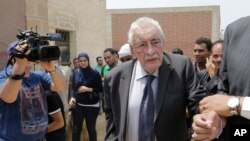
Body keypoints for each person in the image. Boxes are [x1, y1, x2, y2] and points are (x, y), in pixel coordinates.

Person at [103, 17, 205, 141]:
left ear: (163, 43)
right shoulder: (114, 78)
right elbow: (112, 127)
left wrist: (205, 117)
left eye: (155, 42)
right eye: (142, 45)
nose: (150, 51)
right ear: (132, 50)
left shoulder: (181, 67)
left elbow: (198, 103)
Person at [192, 16, 250, 141]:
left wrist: (238, 105)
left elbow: (228, 103)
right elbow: (223, 96)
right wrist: (215, 121)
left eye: (221, 56)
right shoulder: (234, 30)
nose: (219, 59)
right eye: (215, 56)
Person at [0, 41, 65, 141]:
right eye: (26, 53)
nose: (30, 56)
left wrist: (51, 68)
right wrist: (20, 66)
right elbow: (8, 98)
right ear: (13, 57)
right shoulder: (3, 76)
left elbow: (59, 87)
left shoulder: (38, 76)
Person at [69, 52, 103, 141]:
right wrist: (72, 97)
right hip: (78, 105)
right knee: (76, 129)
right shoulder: (75, 73)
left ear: (88, 61)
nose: (83, 62)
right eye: (80, 61)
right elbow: (73, 88)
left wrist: (88, 89)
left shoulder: (95, 73)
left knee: (91, 129)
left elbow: (100, 89)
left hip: (92, 106)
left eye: (85, 60)